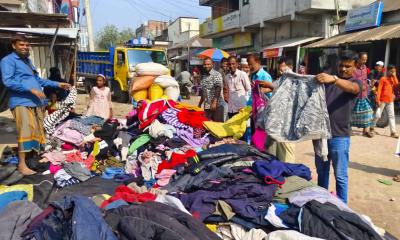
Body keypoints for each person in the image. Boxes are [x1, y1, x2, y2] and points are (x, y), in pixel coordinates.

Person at [0, 35, 71, 175]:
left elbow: (38, 80)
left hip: (36, 103)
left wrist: (57, 84)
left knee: (37, 132)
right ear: (14, 46)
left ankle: (31, 161)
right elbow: (7, 81)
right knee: (25, 132)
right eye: (21, 44)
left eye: (27, 45)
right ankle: (21, 164)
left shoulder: (28, 61)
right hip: (21, 101)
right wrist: (30, 89)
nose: (25, 47)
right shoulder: (8, 61)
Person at [315, 50, 362, 203]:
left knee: (340, 175)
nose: (343, 69)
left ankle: (343, 207)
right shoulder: (327, 81)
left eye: (348, 66)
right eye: (341, 65)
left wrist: (334, 79)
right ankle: (323, 202)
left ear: (355, 67)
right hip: (321, 134)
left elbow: (353, 89)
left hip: (340, 136)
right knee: (322, 172)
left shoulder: (356, 83)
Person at [372, 65, 399, 138]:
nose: (393, 73)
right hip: (382, 100)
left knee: (392, 116)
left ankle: (393, 132)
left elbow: (397, 85)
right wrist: (378, 99)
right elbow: (379, 89)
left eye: (394, 71)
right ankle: (372, 127)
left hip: (390, 100)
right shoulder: (383, 79)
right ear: (388, 71)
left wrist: (395, 76)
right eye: (392, 71)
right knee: (378, 115)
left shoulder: (393, 79)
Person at [351, 52, 374, 138]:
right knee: (351, 112)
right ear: (358, 59)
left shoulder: (365, 68)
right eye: (363, 59)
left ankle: (366, 130)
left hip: (364, 94)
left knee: (368, 111)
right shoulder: (353, 68)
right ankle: (349, 129)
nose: (364, 61)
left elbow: (365, 80)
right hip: (354, 93)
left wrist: (368, 85)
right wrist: (359, 86)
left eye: (366, 59)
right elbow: (351, 80)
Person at [198, 57, 224, 122]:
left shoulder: (216, 74)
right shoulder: (203, 76)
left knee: (218, 127)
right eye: (205, 64)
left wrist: (214, 102)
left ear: (212, 64)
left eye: (208, 64)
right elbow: (203, 92)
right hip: (207, 106)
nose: (206, 66)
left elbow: (218, 88)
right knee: (207, 126)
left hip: (217, 106)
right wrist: (199, 104)